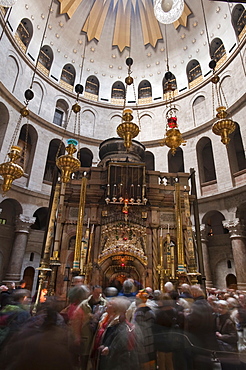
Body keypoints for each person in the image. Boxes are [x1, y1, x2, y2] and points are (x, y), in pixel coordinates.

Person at [95, 296, 140, 370]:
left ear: (115, 309)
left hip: (117, 362)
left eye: (110, 304)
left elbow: (121, 342)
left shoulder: (120, 324)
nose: (106, 305)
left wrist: (110, 349)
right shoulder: (107, 318)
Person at [71, 285, 107, 370]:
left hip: (98, 335)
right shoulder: (84, 304)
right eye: (96, 292)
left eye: (100, 293)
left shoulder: (105, 303)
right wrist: (77, 336)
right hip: (86, 334)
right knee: (84, 358)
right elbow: (76, 321)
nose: (98, 295)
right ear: (92, 292)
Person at [134, 289, 156, 370]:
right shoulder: (149, 310)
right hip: (150, 338)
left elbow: (139, 328)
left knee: (145, 363)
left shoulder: (140, 312)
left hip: (143, 340)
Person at [216, 300, 240, 370]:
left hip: (229, 350)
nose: (220, 309)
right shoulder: (218, 318)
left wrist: (221, 336)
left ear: (227, 309)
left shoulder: (229, 321)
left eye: (222, 308)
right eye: (219, 307)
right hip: (222, 349)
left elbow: (234, 337)